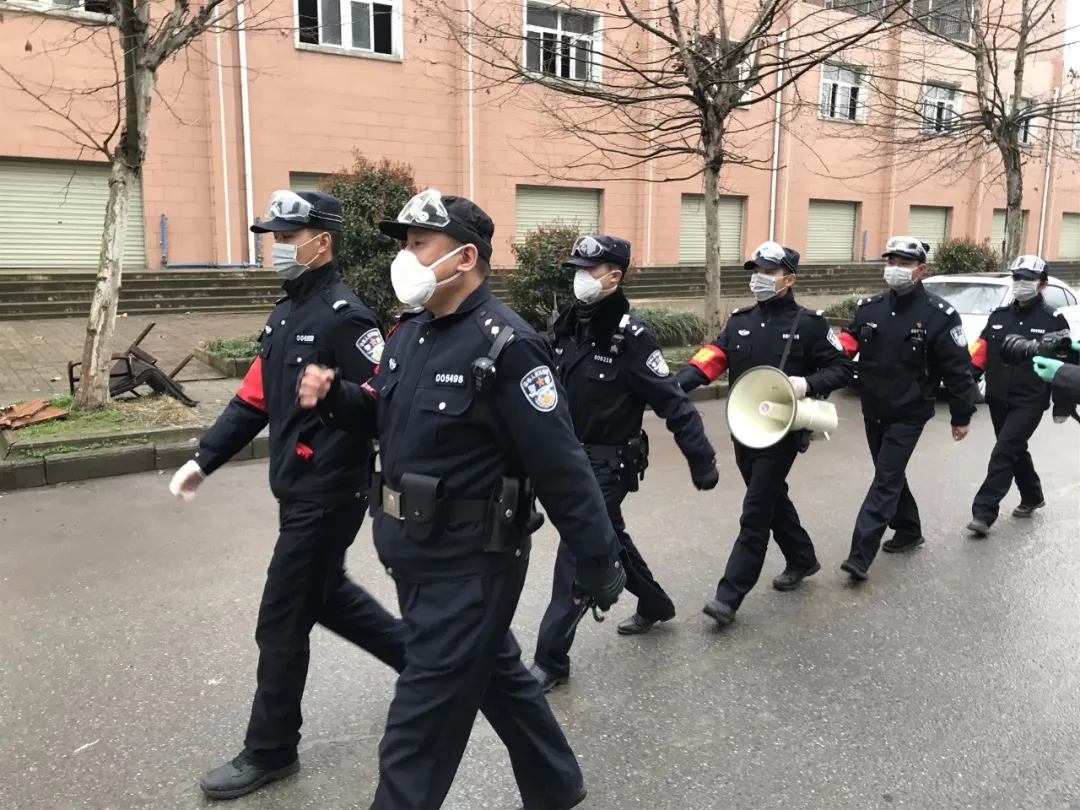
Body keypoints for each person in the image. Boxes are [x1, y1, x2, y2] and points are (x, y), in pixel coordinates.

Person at [296, 189, 626, 810]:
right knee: (496, 671)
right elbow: (384, 410)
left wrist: (598, 558)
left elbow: (562, 466)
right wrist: (338, 396)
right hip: (413, 552)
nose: (405, 256)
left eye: (419, 244)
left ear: (465, 257)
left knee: (416, 731)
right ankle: (556, 785)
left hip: (471, 564)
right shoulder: (411, 333)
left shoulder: (507, 345)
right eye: (405, 243)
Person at [168, 190, 408, 800]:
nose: (276, 247)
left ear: (320, 242)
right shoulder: (285, 314)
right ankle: (428, 664)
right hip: (297, 489)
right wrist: (203, 460)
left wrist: (335, 395)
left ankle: (271, 749)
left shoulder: (346, 317)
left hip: (329, 491)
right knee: (327, 597)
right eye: (273, 236)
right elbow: (253, 398)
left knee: (280, 620)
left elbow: (384, 405)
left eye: (286, 237)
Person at [528, 234, 719, 692]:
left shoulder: (631, 339)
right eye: (576, 269)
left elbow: (673, 402)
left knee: (580, 553)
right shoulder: (568, 325)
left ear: (614, 276)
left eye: (588, 271)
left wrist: (701, 458)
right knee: (609, 537)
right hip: (567, 459)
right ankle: (654, 603)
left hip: (606, 466)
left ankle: (550, 660)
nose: (579, 279)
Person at [677, 241, 855, 627]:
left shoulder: (809, 324)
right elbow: (711, 358)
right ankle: (802, 558)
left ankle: (728, 597)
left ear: (789, 279)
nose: (758, 278)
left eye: (768, 271)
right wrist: (672, 388)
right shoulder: (739, 321)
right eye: (755, 270)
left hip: (781, 432)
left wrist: (807, 384)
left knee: (755, 511)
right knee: (771, 497)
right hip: (744, 428)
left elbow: (842, 368)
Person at [835, 236, 977, 579]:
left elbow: (958, 370)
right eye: (891, 262)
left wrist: (961, 415)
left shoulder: (939, 315)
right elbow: (844, 347)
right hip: (873, 408)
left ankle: (860, 555)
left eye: (904, 263)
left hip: (910, 411)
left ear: (921, 269)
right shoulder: (869, 308)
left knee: (885, 479)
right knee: (890, 472)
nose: (895, 269)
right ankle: (910, 529)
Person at [965, 255, 1080, 537]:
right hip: (997, 396)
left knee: (1003, 451)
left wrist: (1063, 404)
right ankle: (1032, 495)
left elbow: (1065, 365)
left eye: (1028, 279)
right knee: (1014, 449)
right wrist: (964, 382)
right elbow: (980, 353)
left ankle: (984, 512)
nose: (1020, 283)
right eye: (1017, 277)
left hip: (1030, 399)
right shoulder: (998, 316)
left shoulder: (1053, 319)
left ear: (1041, 283)